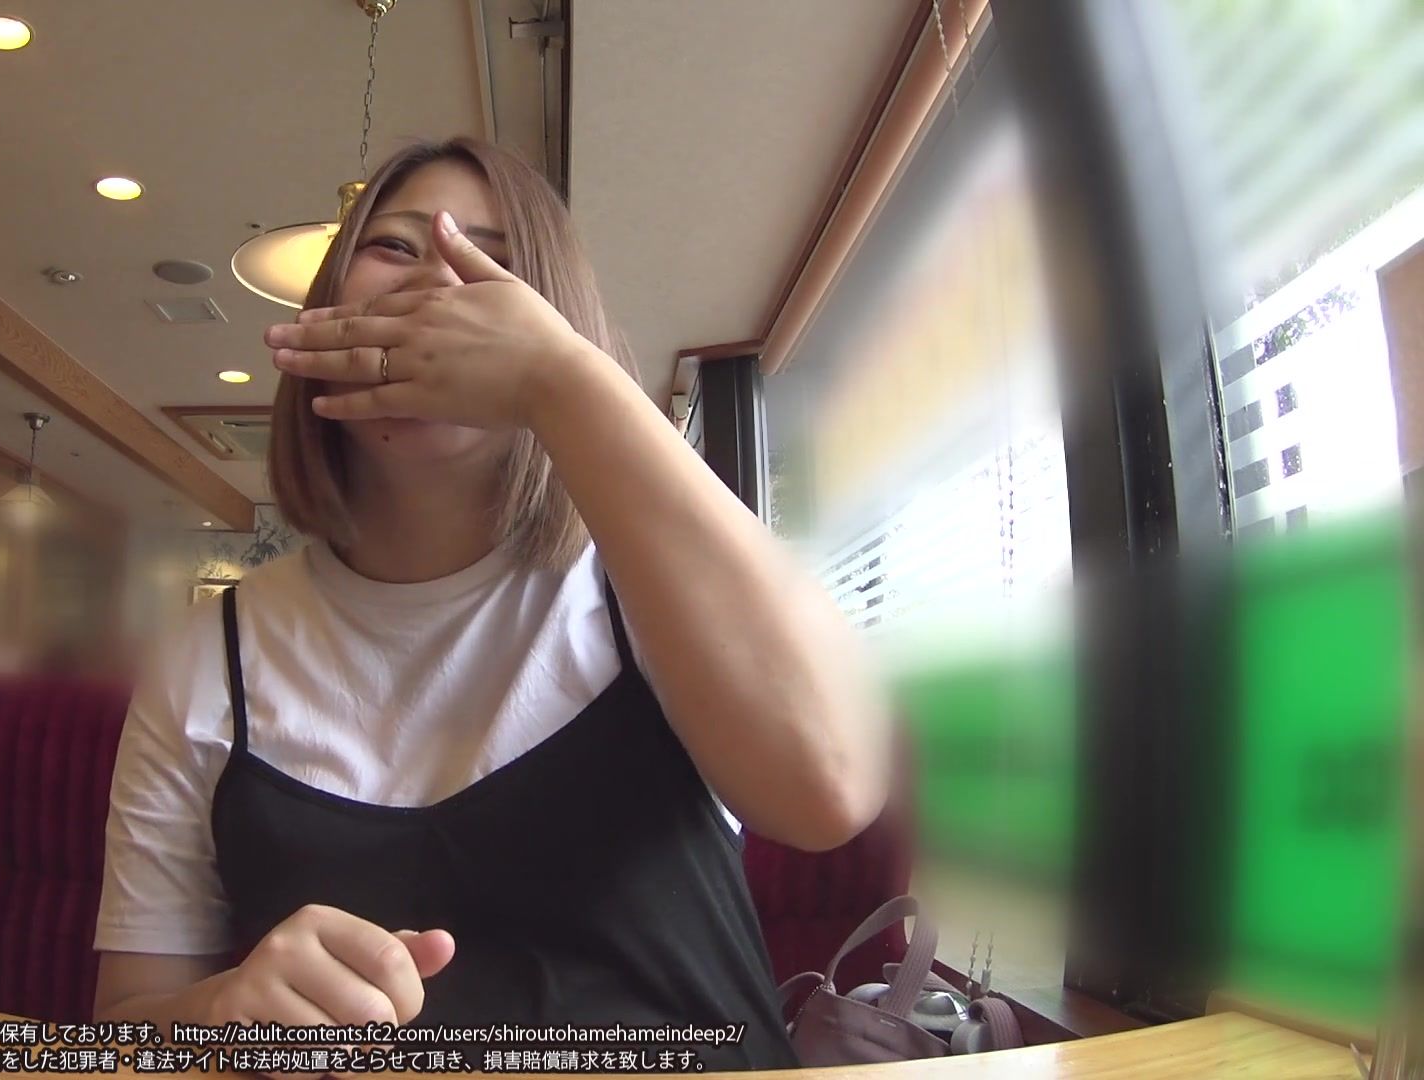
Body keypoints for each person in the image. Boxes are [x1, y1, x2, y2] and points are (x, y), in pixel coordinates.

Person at [92, 137, 888, 1070]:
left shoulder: (645, 588)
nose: (439, 281)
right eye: (393, 247)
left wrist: (563, 381)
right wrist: (223, 1017)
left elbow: (830, 790)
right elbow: (126, 1028)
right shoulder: (207, 652)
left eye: (492, 264)